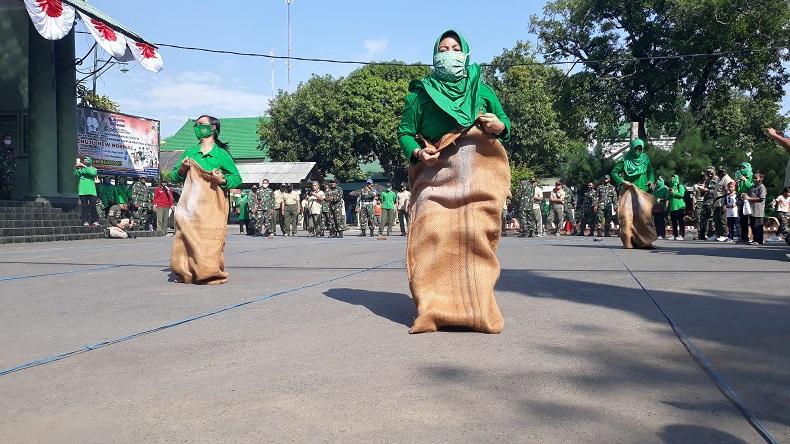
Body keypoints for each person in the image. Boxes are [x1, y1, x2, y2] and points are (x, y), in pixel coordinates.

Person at [396, 29, 510, 333]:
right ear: (435, 57)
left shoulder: (482, 90)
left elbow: (504, 122)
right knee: (431, 232)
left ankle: (476, 309)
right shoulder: (419, 95)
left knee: (474, 234)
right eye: (443, 49)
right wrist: (419, 152)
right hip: (435, 176)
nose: (449, 54)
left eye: (455, 48)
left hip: (476, 176)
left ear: (466, 54)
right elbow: (405, 133)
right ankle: (434, 307)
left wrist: (499, 126)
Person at [169, 114, 241, 285]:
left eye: (201, 124)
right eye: (196, 124)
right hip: (190, 205)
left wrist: (222, 180)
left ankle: (208, 272)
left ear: (213, 128)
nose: (197, 127)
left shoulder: (221, 154)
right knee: (186, 237)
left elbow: (237, 178)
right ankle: (187, 272)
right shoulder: (189, 153)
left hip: (212, 206)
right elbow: (173, 176)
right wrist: (182, 169)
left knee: (210, 240)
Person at [611, 138, 656, 248]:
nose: (638, 151)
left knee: (643, 217)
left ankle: (644, 241)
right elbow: (614, 172)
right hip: (629, 192)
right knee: (627, 217)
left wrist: (651, 181)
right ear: (632, 148)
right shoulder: (625, 159)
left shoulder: (645, 158)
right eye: (636, 148)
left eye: (640, 148)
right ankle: (628, 241)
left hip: (643, 192)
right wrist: (622, 182)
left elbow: (650, 172)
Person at [73, 156, 100, 226]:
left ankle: (95, 221)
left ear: (90, 161)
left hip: (92, 191)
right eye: (84, 160)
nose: (85, 161)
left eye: (87, 160)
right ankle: (85, 221)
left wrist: (84, 166)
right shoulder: (81, 169)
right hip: (82, 190)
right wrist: (75, 167)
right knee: (84, 207)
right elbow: (76, 174)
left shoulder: (94, 169)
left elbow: (92, 173)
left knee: (93, 206)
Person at [743, 171, 767, 245]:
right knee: (752, 225)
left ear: (761, 178)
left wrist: (749, 198)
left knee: (758, 226)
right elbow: (749, 195)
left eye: (756, 178)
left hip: (758, 211)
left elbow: (761, 198)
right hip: (752, 210)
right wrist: (744, 195)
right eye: (753, 178)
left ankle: (759, 240)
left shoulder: (762, 187)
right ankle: (755, 239)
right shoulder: (753, 187)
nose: (754, 180)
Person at [713, 166, 734, 241]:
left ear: (725, 172)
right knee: (716, 218)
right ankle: (717, 234)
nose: (719, 173)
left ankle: (725, 234)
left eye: (721, 171)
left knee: (722, 219)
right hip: (717, 200)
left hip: (722, 200)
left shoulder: (727, 179)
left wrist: (726, 203)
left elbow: (730, 191)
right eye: (719, 171)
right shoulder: (719, 178)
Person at [698, 167, 717, 240]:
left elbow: (716, 191)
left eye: (710, 172)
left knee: (712, 219)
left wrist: (707, 190)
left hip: (712, 201)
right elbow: (704, 191)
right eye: (707, 172)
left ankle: (712, 234)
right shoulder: (707, 180)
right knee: (703, 218)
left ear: (714, 172)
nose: (709, 173)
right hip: (706, 201)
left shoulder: (716, 179)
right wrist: (702, 190)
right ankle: (702, 234)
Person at [668, 174, 687, 240]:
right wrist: (669, 193)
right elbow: (669, 197)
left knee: (680, 222)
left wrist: (674, 193)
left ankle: (681, 235)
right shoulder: (671, 187)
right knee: (674, 222)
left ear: (676, 179)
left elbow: (681, 194)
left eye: (673, 178)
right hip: (672, 207)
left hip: (679, 207)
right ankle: (675, 235)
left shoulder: (680, 186)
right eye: (671, 178)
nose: (671, 179)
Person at [0, 134, 16, 200]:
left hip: (10, 172)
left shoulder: (12, 150)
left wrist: (13, 168)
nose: (8, 140)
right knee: (2, 185)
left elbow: (13, 160)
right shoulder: (1, 149)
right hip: (2, 171)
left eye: (9, 139)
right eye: (6, 139)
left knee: (9, 186)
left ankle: (8, 198)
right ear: (3, 140)